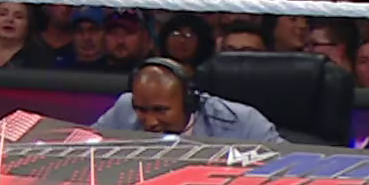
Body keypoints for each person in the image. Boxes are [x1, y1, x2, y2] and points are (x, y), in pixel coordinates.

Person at [91, 57, 283, 141]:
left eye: (160, 110)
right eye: (141, 109)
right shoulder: (124, 108)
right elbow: (86, 148)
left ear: (188, 102)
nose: (150, 122)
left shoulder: (241, 121)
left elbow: (289, 165)